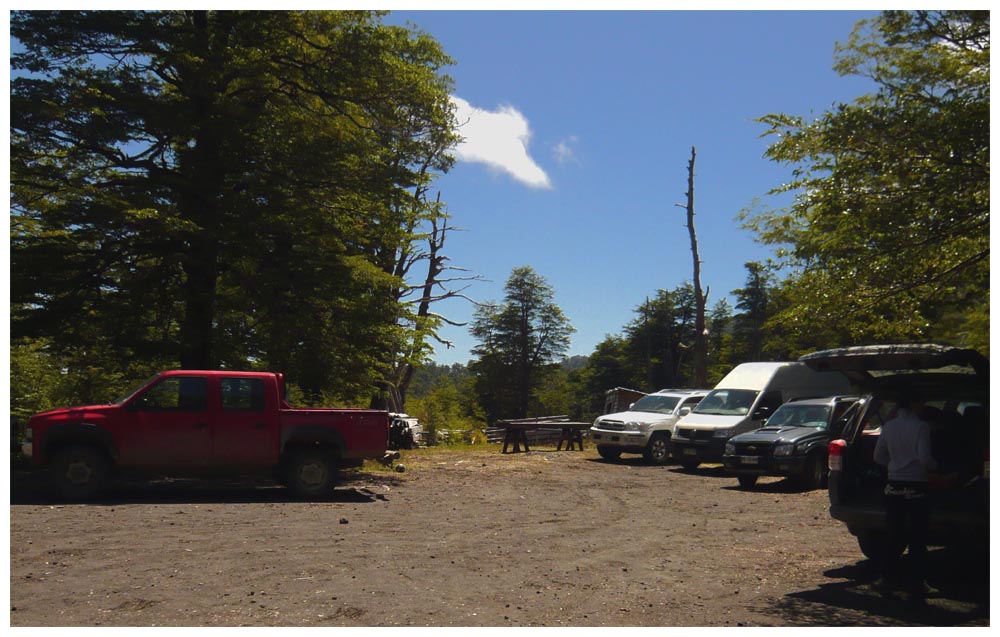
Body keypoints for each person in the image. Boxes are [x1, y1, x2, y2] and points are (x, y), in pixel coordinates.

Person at [873, 390, 937, 608]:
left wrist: (893, 465)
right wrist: (937, 469)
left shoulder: (889, 427)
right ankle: (917, 582)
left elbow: (878, 456)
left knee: (895, 534)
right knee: (918, 537)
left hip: (893, 485)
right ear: (914, 404)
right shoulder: (921, 426)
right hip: (916, 484)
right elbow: (924, 458)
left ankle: (887, 577)